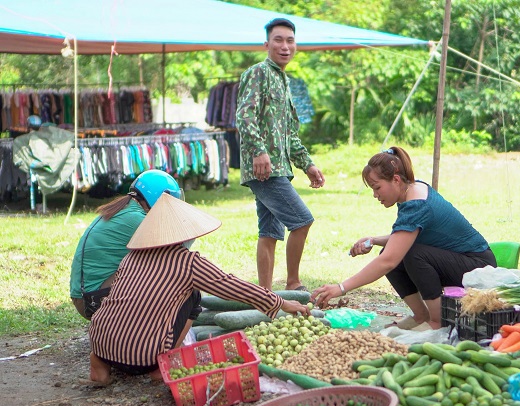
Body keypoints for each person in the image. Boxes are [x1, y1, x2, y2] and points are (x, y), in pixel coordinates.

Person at [86, 193, 311, 386]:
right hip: (145, 358)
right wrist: (280, 302)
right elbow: (232, 286)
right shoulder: (188, 262)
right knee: (193, 297)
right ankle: (162, 364)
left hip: (101, 342)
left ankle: (100, 365)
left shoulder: (129, 258)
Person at [311, 147, 496, 330]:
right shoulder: (413, 189)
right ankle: (420, 315)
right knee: (394, 251)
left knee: (410, 255)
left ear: (396, 180)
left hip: (478, 266)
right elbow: (405, 237)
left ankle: (437, 320)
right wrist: (374, 240)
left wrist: (341, 287)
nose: (375, 195)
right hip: (460, 261)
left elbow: (389, 261)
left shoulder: (416, 205)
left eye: (377, 187)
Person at [236, 17, 325, 292]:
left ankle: (265, 295)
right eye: (279, 40)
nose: (285, 46)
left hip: (280, 168)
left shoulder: (283, 81)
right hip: (265, 170)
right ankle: (293, 283)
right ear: (267, 44)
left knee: (269, 233)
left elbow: (289, 133)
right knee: (302, 221)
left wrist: (307, 164)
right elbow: (244, 115)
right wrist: (259, 151)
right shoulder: (258, 73)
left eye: (290, 40)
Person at [69, 169, 182, 319]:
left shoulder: (126, 210)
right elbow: (173, 258)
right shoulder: (137, 219)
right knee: (169, 273)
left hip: (86, 297)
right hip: (92, 301)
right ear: (160, 197)